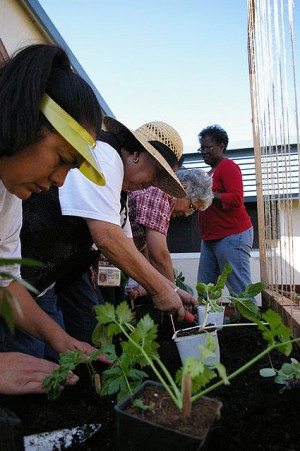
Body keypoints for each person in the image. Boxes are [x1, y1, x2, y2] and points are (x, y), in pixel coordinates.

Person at [0, 43, 107, 394]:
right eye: (62, 157)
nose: (60, 181)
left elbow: (6, 284)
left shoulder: (8, 197)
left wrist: (60, 338)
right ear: (26, 119)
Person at [127, 168, 212, 308]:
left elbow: (148, 256)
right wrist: (174, 293)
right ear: (184, 188)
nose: (186, 214)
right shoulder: (160, 193)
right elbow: (159, 256)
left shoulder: (161, 197)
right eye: (191, 207)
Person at [196, 124, 254, 297]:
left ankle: (250, 323)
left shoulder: (228, 166)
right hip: (210, 238)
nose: (204, 151)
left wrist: (209, 194)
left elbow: (236, 199)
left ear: (221, 146)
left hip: (231, 235)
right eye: (202, 148)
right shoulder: (209, 173)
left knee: (240, 289)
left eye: (208, 147)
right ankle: (209, 324)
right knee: (205, 288)